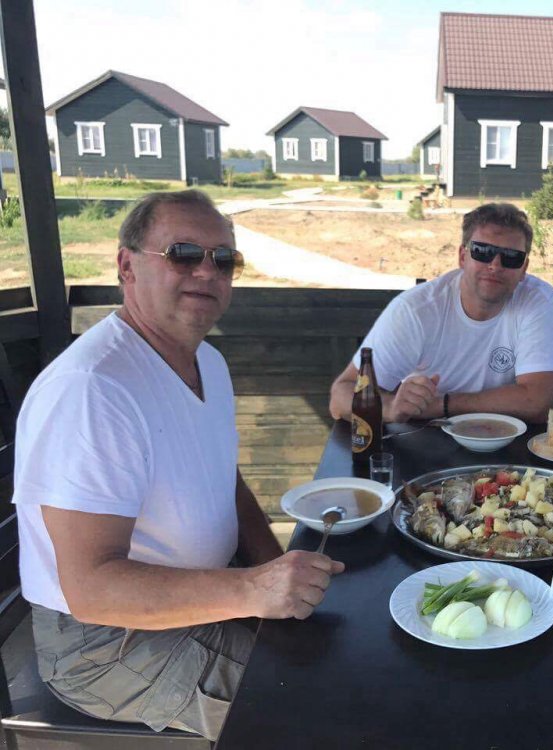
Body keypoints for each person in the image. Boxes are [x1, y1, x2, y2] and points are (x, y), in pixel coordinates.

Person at [13, 190, 343, 740]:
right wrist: (252, 590)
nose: (206, 272)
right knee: (318, 707)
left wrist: (275, 577)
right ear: (127, 266)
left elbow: (226, 482)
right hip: (106, 644)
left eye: (224, 260)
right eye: (183, 254)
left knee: (343, 650)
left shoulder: (207, 361)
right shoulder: (92, 389)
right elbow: (91, 590)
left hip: (205, 591)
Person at [328, 202, 553, 424]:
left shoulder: (537, 299)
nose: (495, 265)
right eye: (482, 251)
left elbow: (537, 403)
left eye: (511, 257)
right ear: (462, 257)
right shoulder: (416, 310)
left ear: (524, 268)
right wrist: (391, 407)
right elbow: (341, 397)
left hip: (504, 439)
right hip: (423, 434)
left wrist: (443, 404)